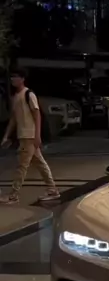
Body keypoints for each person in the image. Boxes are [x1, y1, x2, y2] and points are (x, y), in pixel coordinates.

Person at [0, 69, 60, 205]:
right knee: (40, 163)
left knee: (22, 166)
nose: (13, 79)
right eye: (11, 77)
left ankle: (13, 195)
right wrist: (6, 136)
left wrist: (37, 135)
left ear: (22, 79)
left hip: (29, 136)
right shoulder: (16, 97)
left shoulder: (29, 94)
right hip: (24, 135)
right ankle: (52, 190)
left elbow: (37, 115)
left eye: (15, 77)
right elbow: (14, 119)